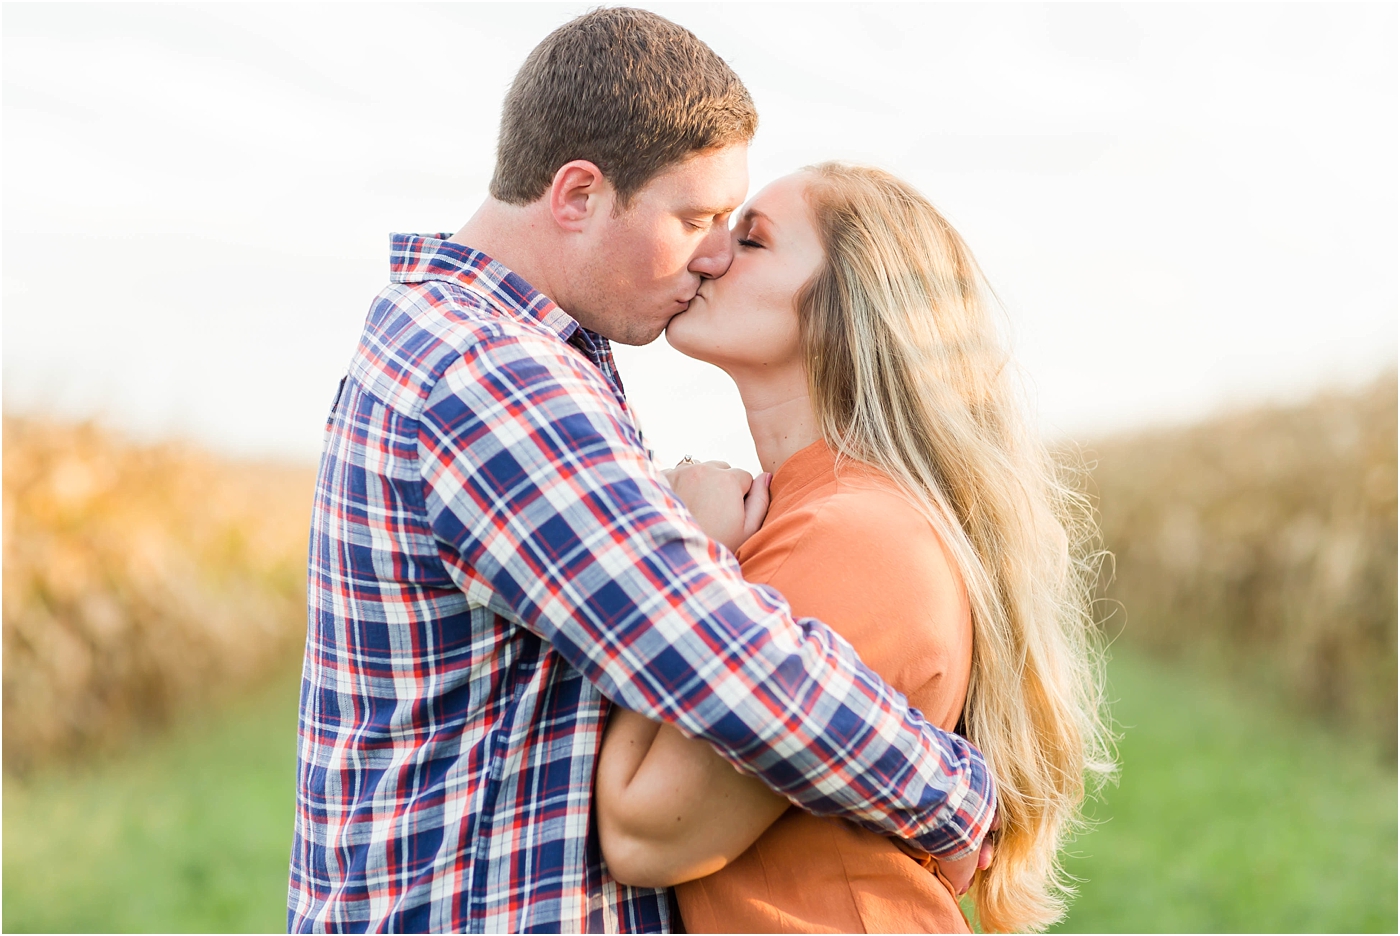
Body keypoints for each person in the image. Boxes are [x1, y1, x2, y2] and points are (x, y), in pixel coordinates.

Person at [287, 10, 996, 933]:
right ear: (577, 194)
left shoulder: (480, 347)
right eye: (697, 218)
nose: (710, 254)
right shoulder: (493, 375)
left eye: (736, 231)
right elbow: (706, 653)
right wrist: (951, 792)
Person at [595, 164, 1114, 933]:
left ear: (847, 307)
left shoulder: (854, 535)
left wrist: (686, 556)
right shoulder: (805, 510)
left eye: (753, 239)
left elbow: (645, 833)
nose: (707, 255)